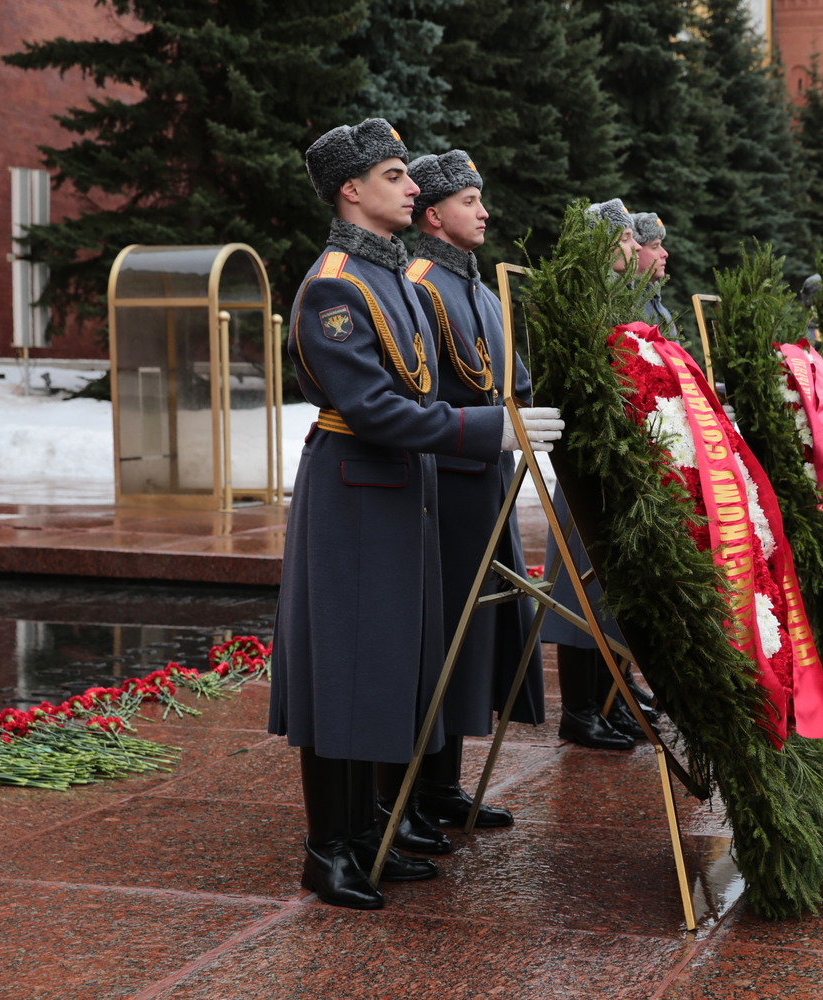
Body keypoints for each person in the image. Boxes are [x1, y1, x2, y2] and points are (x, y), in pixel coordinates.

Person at [269, 118, 563, 910]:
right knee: (346, 672)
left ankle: (369, 830)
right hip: (356, 491)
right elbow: (374, 409)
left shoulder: (395, 277)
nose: (411, 187)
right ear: (351, 190)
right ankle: (328, 850)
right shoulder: (336, 283)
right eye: (395, 175)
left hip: (401, 491)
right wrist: (486, 429)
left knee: (389, 668)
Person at [386, 149, 548, 842]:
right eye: (469, 201)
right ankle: (412, 794)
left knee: (472, 635)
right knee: (439, 638)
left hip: (483, 479)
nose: (483, 212)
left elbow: (508, 380)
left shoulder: (479, 290)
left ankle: (444, 784)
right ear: (433, 215)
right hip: (443, 482)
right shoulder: (418, 280)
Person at [540, 198, 658, 750]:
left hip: (617, 459)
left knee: (608, 591)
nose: (639, 249)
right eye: (631, 240)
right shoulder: (585, 301)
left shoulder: (620, 300)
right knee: (580, 586)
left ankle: (610, 699)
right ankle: (581, 710)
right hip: (586, 462)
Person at [629, 210, 677, 340]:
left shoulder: (658, 306)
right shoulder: (625, 307)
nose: (665, 253)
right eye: (655, 246)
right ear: (634, 250)